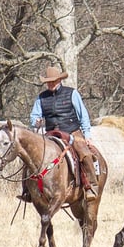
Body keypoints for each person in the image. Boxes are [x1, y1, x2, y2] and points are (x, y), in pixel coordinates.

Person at [24, 65, 100, 201]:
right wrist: (36, 121)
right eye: (49, 82)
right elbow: (34, 116)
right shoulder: (41, 98)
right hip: (51, 133)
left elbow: (83, 115)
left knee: (85, 154)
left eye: (53, 81)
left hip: (72, 131)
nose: (51, 84)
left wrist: (87, 136)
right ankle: (27, 191)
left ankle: (91, 187)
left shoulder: (72, 93)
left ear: (59, 80)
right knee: (29, 156)